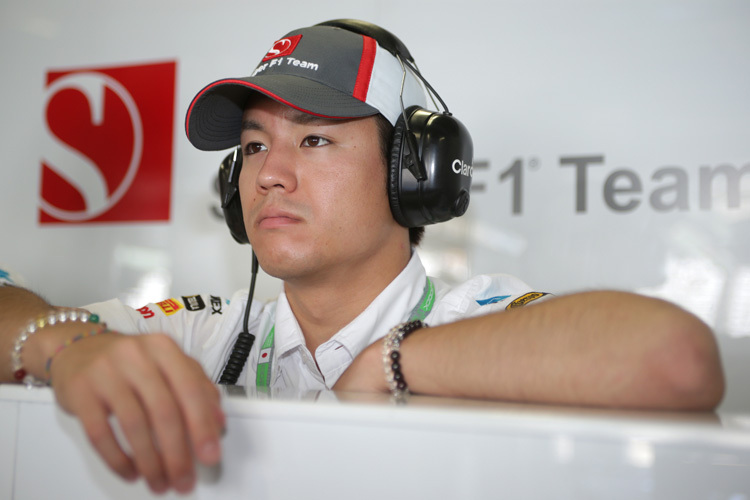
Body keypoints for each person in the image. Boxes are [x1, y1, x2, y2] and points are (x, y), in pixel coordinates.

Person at [0, 19, 725, 495]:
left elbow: (675, 359)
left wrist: (396, 362)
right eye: (254, 146)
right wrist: (61, 346)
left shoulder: (481, 322)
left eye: (314, 139)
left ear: (412, 173)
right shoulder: (204, 334)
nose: (268, 174)